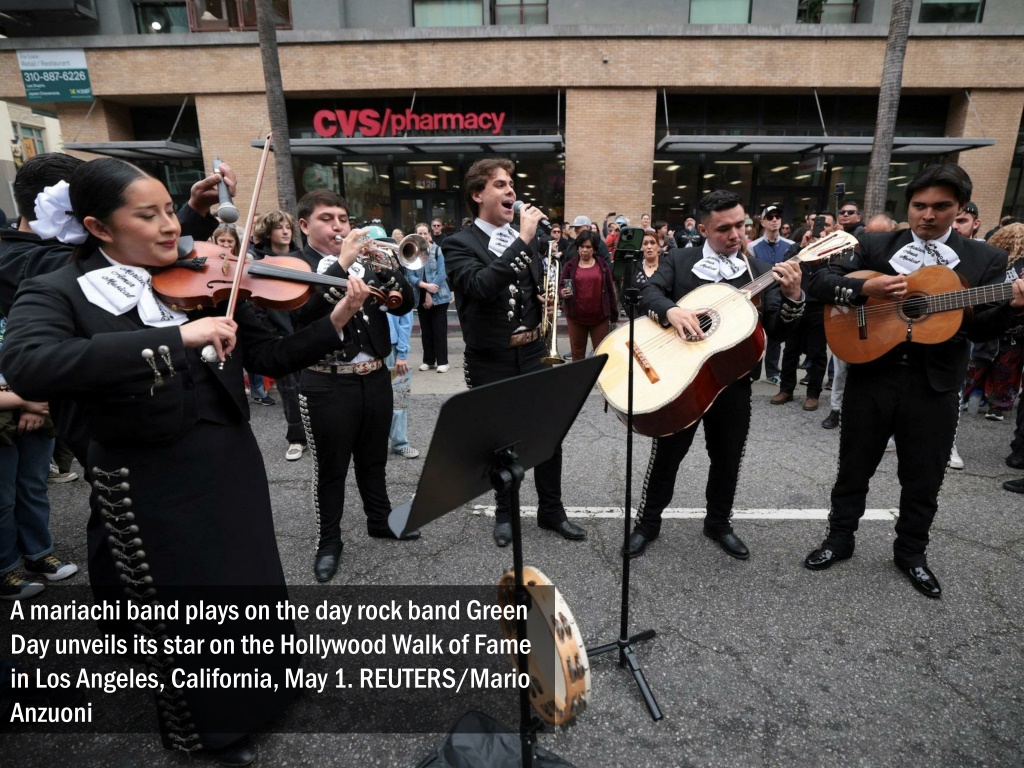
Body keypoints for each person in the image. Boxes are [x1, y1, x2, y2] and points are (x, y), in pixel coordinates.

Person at [0, 157, 373, 764]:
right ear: (98, 227)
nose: (172, 226)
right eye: (148, 216)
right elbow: (29, 365)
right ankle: (209, 728)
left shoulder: (198, 273)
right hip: (147, 473)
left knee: (250, 579)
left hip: (227, 454)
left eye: (169, 210)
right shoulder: (59, 289)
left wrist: (336, 319)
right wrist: (174, 339)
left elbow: (269, 358)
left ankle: (270, 688)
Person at [803, 163, 1024, 599]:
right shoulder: (876, 244)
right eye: (920, 205)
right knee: (853, 468)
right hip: (872, 375)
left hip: (935, 385)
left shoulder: (985, 258)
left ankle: (911, 552)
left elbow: (980, 328)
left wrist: (1014, 307)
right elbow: (821, 282)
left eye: (941, 206)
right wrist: (867, 289)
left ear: (961, 209)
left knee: (923, 477)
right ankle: (839, 539)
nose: (928, 215)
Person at [627, 190, 805, 560]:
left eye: (741, 225)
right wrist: (671, 311)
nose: (735, 234)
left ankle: (719, 523)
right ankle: (647, 523)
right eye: (724, 228)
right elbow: (648, 293)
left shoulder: (759, 269)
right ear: (704, 229)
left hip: (732, 382)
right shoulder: (681, 258)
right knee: (667, 455)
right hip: (682, 380)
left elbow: (778, 328)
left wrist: (793, 297)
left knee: (727, 458)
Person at [444, 158, 587, 547]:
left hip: (535, 351)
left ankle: (551, 511)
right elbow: (481, 286)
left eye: (511, 184)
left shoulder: (529, 239)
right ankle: (505, 513)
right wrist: (523, 240)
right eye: (500, 185)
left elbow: (528, 287)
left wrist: (545, 299)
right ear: (477, 194)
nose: (511, 191)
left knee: (549, 435)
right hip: (491, 359)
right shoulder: (458, 243)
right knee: (501, 443)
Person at [291, 190, 417, 584]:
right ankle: (329, 541)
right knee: (331, 469)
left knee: (373, 459)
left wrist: (390, 271)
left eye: (343, 219)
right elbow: (303, 316)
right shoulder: (295, 264)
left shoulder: (366, 260)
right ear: (304, 225)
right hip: (326, 381)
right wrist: (341, 264)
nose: (338, 226)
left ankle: (379, 520)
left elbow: (405, 303)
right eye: (327, 218)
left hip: (375, 375)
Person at [1, 316, 79, 600]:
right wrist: (24, 401)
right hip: (14, 409)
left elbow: (49, 355)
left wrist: (34, 404)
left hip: (35, 407)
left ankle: (38, 553)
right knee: (2, 499)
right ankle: (5, 569)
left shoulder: (19, 306)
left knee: (33, 487)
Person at [249, 211, 308, 459]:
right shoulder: (259, 262)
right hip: (280, 337)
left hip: (306, 333)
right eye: (279, 227)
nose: (285, 231)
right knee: (289, 389)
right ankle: (296, 438)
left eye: (288, 227)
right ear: (268, 231)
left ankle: (319, 433)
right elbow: (256, 304)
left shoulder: (302, 259)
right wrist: (272, 334)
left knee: (314, 387)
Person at [769, 212, 834, 411]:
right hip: (798, 303)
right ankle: (786, 389)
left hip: (819, 306)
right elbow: (784, 267)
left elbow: (835, 273)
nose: (820, 228)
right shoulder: (798, 247)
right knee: (791, 350)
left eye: (826, 225)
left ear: (833, 228)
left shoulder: (837, 249)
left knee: (817, 352)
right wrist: (802, 249)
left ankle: (813, 393)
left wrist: (824, 249)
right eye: (816, 224)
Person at [960, 223, 1024, 422]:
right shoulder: (1005, 263)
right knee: (1007, 365)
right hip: (1011, 323)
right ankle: (997, 406)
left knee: (979, 358)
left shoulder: (988, 259)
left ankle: (968, 396)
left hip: (988, 314)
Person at [749, 205, 795, 385]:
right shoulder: (753, 246)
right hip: (760, 294)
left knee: (776, 333)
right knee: (756, 333)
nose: (775, 220)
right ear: (762, 222)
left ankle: (772, 372)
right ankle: (752, 372)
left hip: (781, 292)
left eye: (778, 216)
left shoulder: (790, 245)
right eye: (770, 217)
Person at [559, 229, 616, 362]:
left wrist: (613, 313)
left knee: (601, 354)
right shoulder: (569, 266)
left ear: (594, 249)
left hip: (600, 317)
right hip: (575, 317)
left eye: (588, 247)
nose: (584, 250)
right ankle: (580, 376)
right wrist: (562, 292)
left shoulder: (603, 265)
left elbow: (610, 289)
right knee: (577, 354)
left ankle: (599, 376)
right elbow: (561, 285)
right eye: (581, 246)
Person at [407, 221, 452, 373]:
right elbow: (410, 276)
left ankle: (443, 362)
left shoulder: (437, 250)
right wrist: (425, 287)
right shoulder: (411, 252)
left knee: (439, 330)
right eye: (419, 233)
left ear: (429, 234)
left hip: (439, 296)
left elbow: (442, 273)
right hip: (421, 294)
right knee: (426, 331)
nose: (422, 235)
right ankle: (429, 361)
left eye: (425, 233)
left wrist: (430, 292)